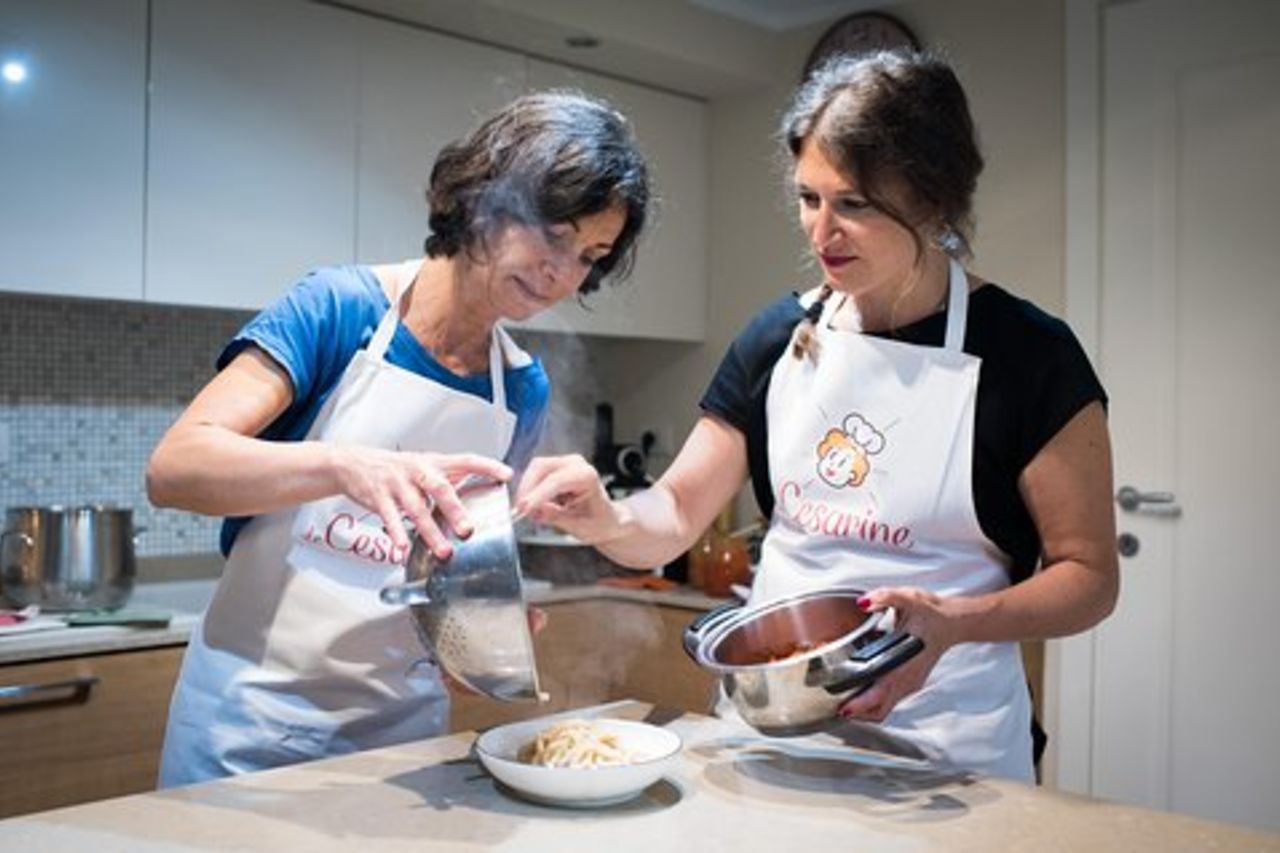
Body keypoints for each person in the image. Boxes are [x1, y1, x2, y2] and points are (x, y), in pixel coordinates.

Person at [513, 51, 1118, 781]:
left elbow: (1089, 576)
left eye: (854, 204)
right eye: (809, 198)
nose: (821, 230)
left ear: (934, 198)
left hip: (947, 747)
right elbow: (675, 509)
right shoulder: (779, 338)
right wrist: (604, 516)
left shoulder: (1031, 357)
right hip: (771, 729)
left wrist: (955, 622)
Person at [147, 91, 650, 787]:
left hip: (399, 745)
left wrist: (475, 631)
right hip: (248, 724)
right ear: (484, 200)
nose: (564, 274)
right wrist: (344, 465)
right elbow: (175, 467)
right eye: (556, 236)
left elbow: (440, 570)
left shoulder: (520, 389)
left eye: (591, 255)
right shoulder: (339, 309)